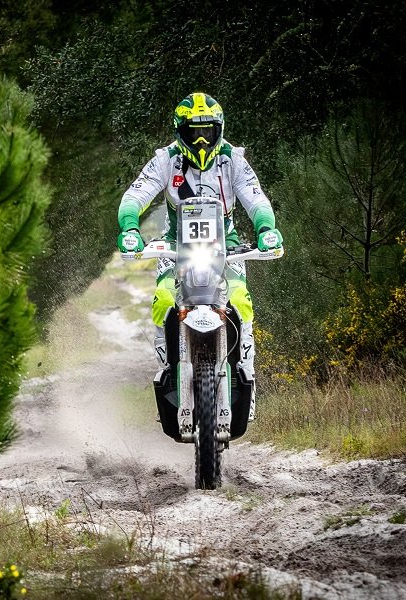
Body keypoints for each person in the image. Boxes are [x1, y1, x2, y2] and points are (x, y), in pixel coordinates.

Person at [116, 92, 283, 421]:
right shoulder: (166, 160)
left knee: (241, 301)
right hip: (176, 245)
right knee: (164, 299)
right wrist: (130, 228)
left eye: (208, 131)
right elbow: (134, 196)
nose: (202, 140)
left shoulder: (233, 159)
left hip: (226, 245)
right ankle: (168, 370)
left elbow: (256, 199)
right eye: (194, 132)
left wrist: (266, 229)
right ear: (180, 131)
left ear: (219, 129)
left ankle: (247, 382)